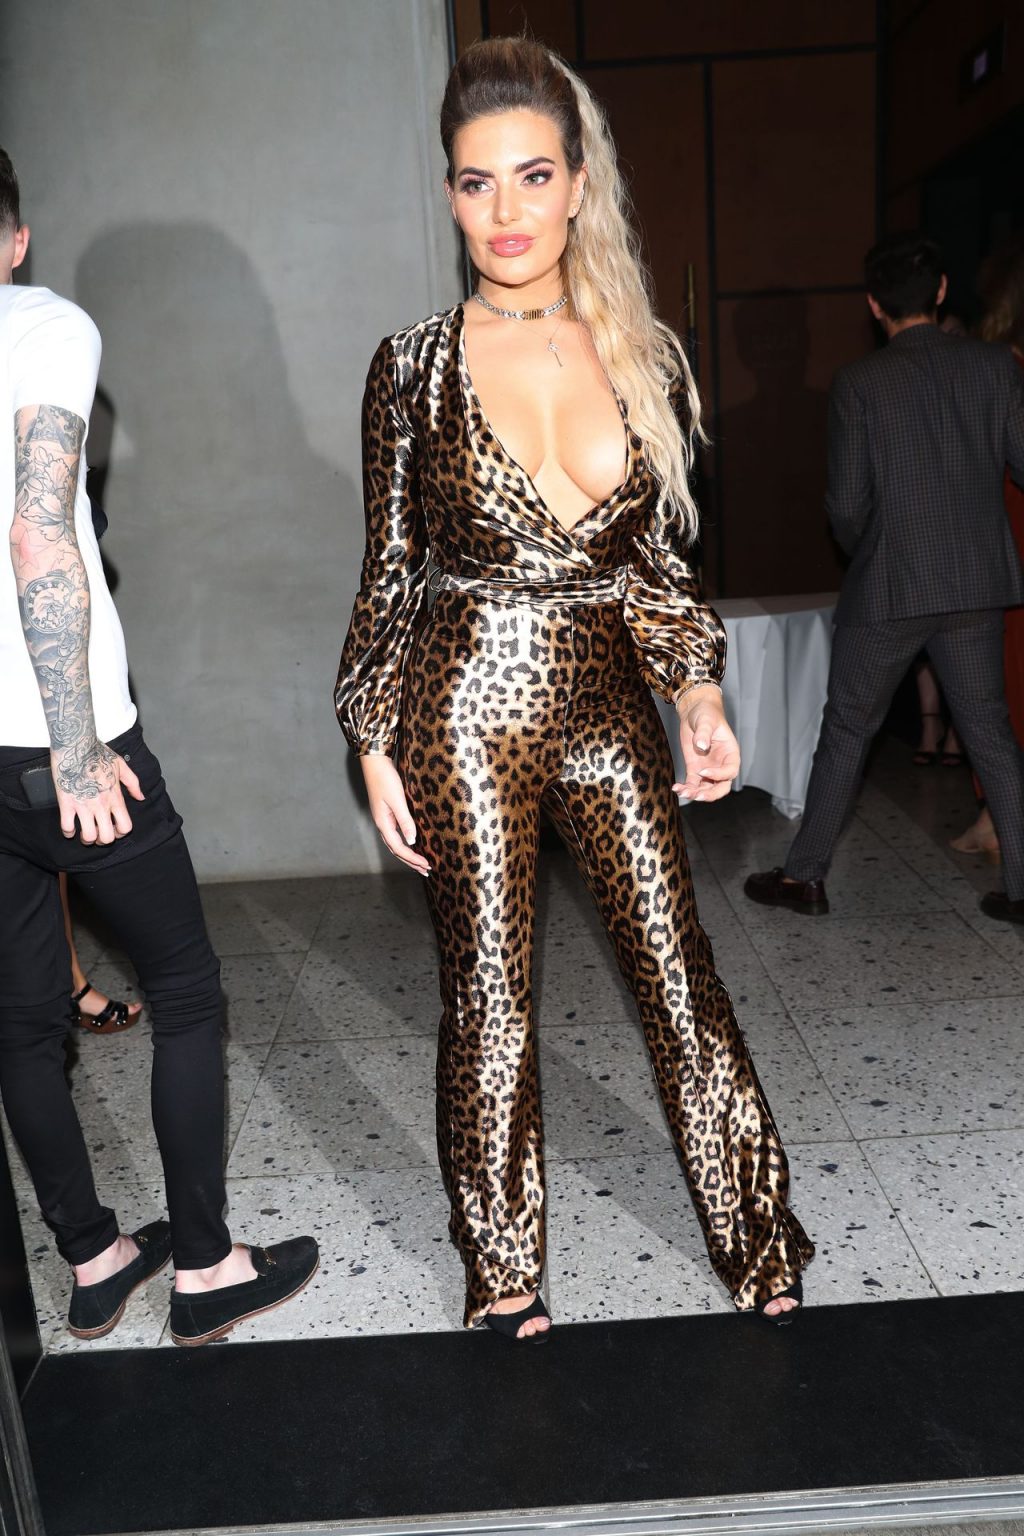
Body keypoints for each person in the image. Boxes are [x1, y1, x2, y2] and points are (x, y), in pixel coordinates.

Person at [335, 37, 813, 1341]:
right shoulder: (410, 365)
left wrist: (698, 695)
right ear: (449, 194)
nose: (506, 209)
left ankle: (756, 1231)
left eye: (533, 175)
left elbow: (652, 567)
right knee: (489, 998)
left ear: (579, 183)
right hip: (462, 708)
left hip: (608, 709)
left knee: (680, 975)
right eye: (475, 181)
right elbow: (390, 567)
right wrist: (372, 736)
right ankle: (503, 1268)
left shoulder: (643, 353)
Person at [0, 147, 318, 1345]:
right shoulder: (43, 325)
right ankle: (205, 1269)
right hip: (51, 738)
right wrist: (79, 750)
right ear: (16, 237)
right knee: (184, 989)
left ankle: (93, 1257)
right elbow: (38, 533)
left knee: (20, 1017)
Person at [745, 234, 1024, 924]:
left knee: (847, 730)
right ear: (940, 291)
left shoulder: (860, 382)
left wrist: (866, 550)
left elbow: (845, 505)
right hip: (975, 584)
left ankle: (804, 877)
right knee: (990, 734)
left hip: (891, 584)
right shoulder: (996, 366)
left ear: (874, 304)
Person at [950, 235, 1024, 861]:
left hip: (1005, 530)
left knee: (1005, 680)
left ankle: (999, 820)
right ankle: (995, 817)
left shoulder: (997, 366)